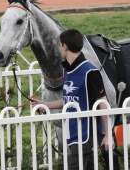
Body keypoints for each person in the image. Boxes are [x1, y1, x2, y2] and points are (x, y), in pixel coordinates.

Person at [30, 29, 119, 170]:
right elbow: (69, 100)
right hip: (73, 134)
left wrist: (108, 135)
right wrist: (44, 105)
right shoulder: (68, 70)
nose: (59, 48)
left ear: (64, 46)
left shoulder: (90, 72)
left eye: (60, 45)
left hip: (86, 136)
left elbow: (103, 104)